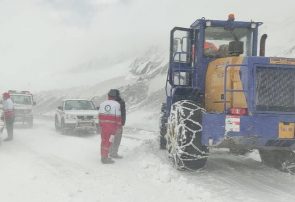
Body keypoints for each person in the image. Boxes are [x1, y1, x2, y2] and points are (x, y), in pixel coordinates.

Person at [98, 89, 122, 164]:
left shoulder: (102, 104)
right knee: (109, 142)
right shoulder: (116, 104)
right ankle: (105, 158)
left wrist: (100, 125)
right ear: (115, 97)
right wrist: (119, 126)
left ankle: (103, 156)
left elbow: (99, 116)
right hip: (112, 127)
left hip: (103, 127)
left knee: (103, 141)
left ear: (108, 96)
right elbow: (118, 117)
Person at [110, 89, 126, 159]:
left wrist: (122, 122)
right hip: (112, 123)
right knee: (113, 139)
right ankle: (112, 152)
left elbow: (123, 113)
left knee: (116, 139)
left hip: (116, 123)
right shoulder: (120, 102)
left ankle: (113, 152)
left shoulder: (120, 102)